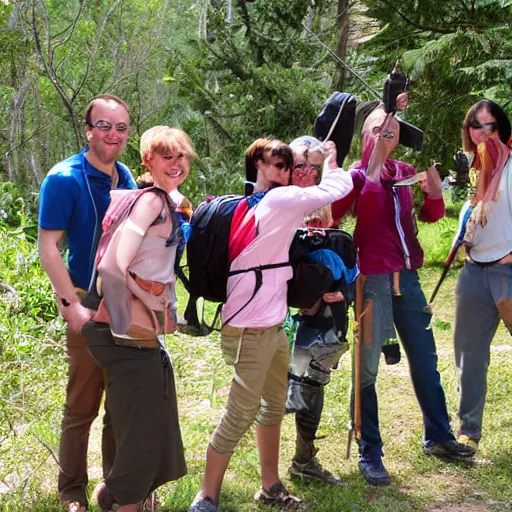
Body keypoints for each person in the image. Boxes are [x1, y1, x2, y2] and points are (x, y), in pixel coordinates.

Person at [189, 138, 353, 512]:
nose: (284, 172)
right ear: (258, 167)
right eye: (276, 165)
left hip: (272, 326)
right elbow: (338, 187)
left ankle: (270, 486)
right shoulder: (278, 202)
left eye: (287, 165)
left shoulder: (256, 205)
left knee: (273, 406)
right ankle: (206, 497)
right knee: (240, 414)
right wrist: (331, 157)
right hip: (249, 329)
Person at [331, 108, 476, 486]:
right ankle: (370, 451)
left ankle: (439, 437)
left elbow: (427, 218)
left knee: (426, 360)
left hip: (407, 278)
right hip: (372, 280)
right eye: (379, 129)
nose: (386, 135)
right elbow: (338, 214)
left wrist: (434, 194)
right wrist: (371, 171)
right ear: (365, 135)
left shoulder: (402, 172)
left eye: (393, 131)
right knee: (367, 370)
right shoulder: (356, 177)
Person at [83, 126, 194, 512]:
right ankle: (123, 501)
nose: (177, 164)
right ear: (148, 159)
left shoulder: (164, 200)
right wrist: (142, 308)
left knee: (129, 426)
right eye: (167, 156)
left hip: (137, 340)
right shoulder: (149, 203)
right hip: (130, 339)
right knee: (142, 438)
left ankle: (114, 496)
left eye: (182, 157)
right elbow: (113, 268)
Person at [38, 95, 136, 512]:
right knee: (82, 403)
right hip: (86, 303)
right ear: (88, 129)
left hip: (126, 307)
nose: (112, 135)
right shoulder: (64, 178)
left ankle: (115, 488)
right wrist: (69, 307)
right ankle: (71, 492)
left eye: (121, 127)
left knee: (122, 403)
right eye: (104, 125)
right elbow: (47, 246)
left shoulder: (126, 177)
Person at [285, 136, 355, 486]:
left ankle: (303, 458)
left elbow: (353, 278)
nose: (306, 173)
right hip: (278, 320)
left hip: (321, 328)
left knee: (311, 385)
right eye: (300, 165)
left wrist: (342, 293)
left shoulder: (336, 235)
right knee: (272, 392)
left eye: (314, 167)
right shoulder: (275, 207)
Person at [453, 100, 512, 451]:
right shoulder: (478, 173)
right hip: (474, 272)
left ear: (503, 130)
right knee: (469, 356)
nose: (484, 131)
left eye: (490, 125)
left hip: (508, 273)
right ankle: (468, 431)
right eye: (477, 125)